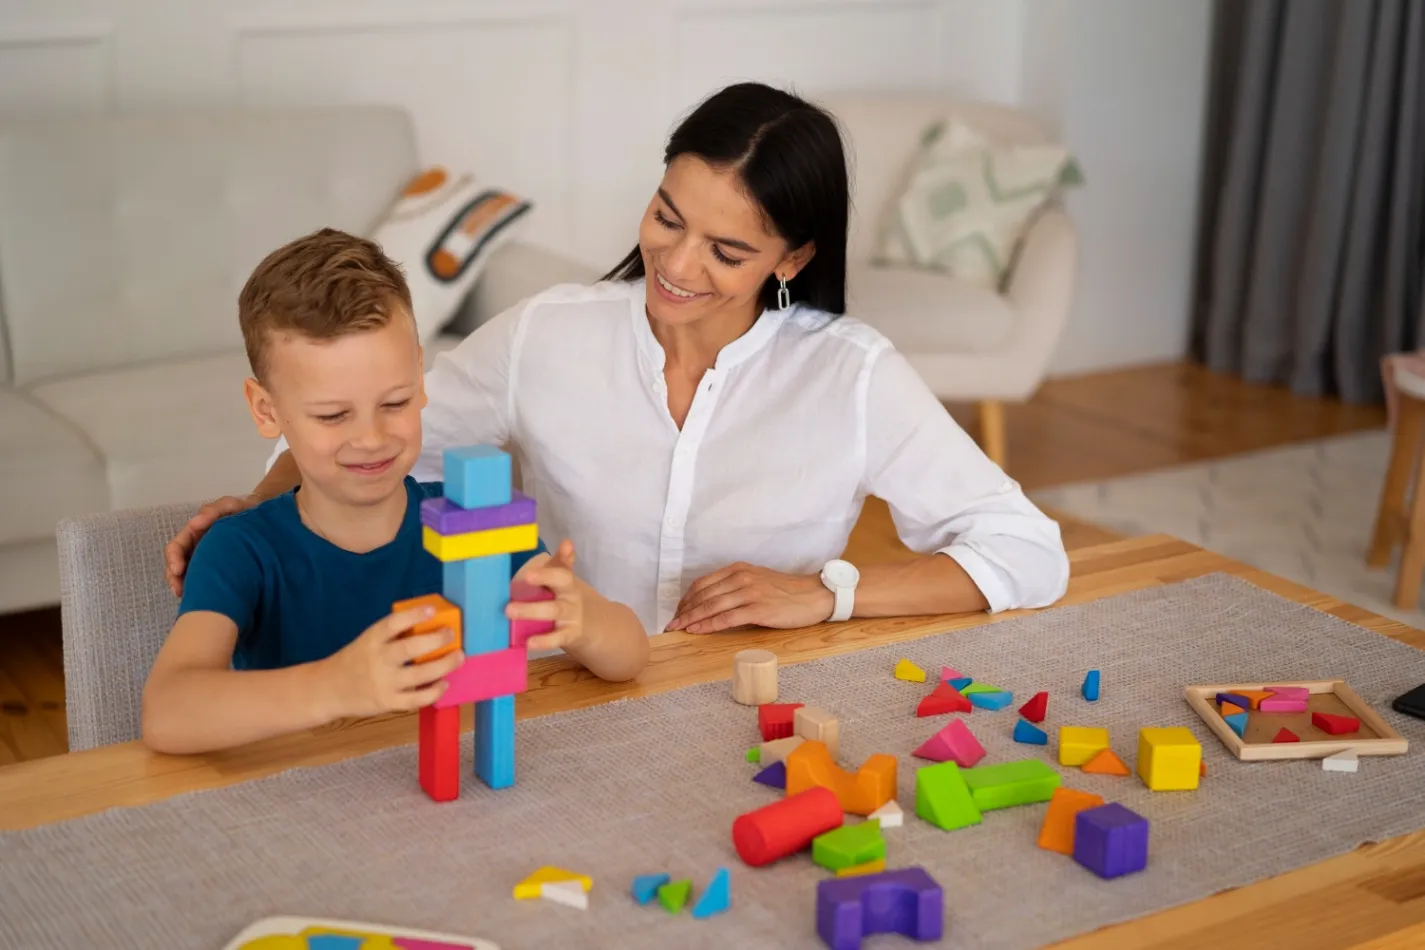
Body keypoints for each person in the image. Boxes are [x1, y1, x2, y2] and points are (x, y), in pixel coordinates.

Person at [164, 81, 1069, 641]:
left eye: (726, 251)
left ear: (791, 258)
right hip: (572, 693)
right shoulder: (550, 335)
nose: (675, 265)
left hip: (753, 701)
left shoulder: (850, 376)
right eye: (667, 217)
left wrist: (826, 595)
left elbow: (1027, 550)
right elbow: (384, 432)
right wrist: (257, 504)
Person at [142, 229, 648, 755]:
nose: (371, 438)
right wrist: (338, 686)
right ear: (267, 411)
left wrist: (583, 620)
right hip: (299, 793)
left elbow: (630, 655)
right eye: (333, 415)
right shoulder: (241, 549)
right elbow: (167, 712)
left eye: (395, 403)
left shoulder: (471, 517)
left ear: (420, 380)